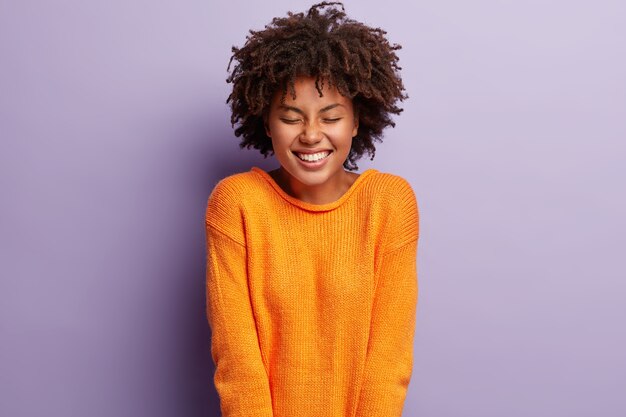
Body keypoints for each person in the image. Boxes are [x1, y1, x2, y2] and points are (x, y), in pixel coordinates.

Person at [205, 2, 419, 416]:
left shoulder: (390, 204)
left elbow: (388, 363)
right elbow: (237, 360)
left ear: (356, 121)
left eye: (331, 116)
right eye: (290, 117)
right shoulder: (236, 203)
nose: (311, 135)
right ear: (266, 123)